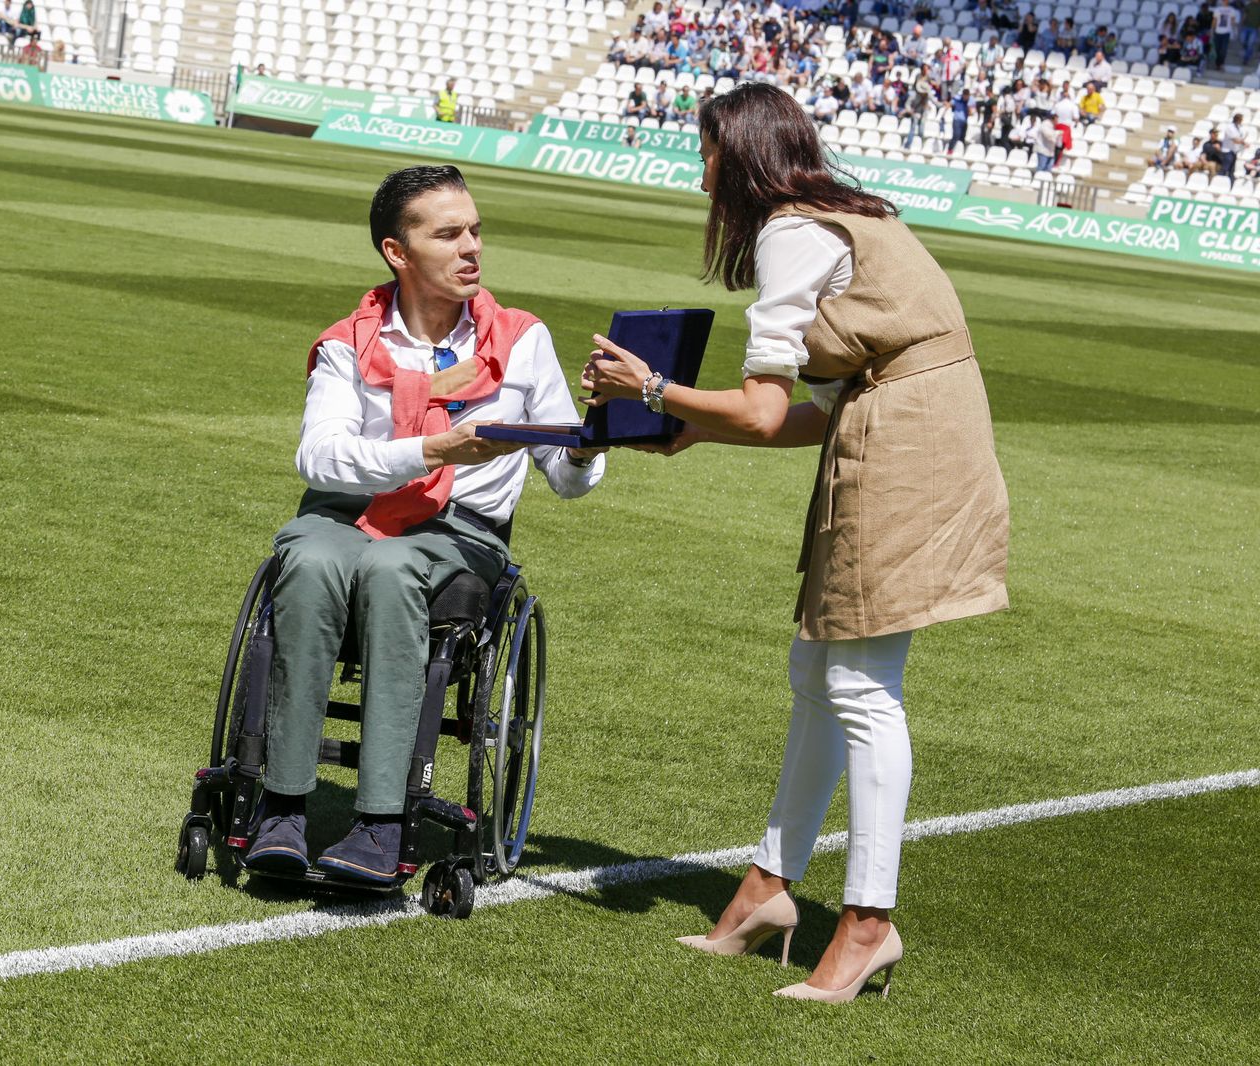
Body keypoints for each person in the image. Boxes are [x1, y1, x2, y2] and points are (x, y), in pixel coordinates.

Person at [582, 82, 1008, 1004]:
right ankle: (767, 889)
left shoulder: (789, 231)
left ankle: (868, 925)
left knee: (860, 685)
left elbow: (770, 405)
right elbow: (803, 417)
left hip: (906, 445)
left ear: (738, 159)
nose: (700, 178)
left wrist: (652, 391)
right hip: (904, 428)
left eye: (705, 156)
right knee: (821, 672)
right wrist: (695, 425)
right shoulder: (842, 216)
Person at [242, 166, 605, 882]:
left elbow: (565, 476)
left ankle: (380, 822)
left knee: (389, 567)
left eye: (475, 231)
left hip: (459, 532)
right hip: (344, 514)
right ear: (397, 253)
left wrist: (589, 442)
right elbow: (318, 457)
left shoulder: (521, 340)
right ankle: (281, 807)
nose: (471, 247)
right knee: (310, 562)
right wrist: (434, 448)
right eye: (448, 234)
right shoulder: (351, 341)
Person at [1219, 112, 1247, 178]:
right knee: (1224, 169)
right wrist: (1243, 142)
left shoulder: (1239, 128)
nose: (1242, 121)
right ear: (1237, 119)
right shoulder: (1230, 128)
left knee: (1231, 170)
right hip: (1228, 152)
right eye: (1241, 119)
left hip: (1234, 151)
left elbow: (1239, 139)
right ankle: (1218, 181)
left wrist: (1244, 143)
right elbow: (1235, 140)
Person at [1212, 0, 1238, 68]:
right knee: (1217, 49)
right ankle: (1217, 62)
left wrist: (1234, 30)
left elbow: (1233, 21)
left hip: (1226, 32)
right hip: (1217, 32)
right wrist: (1212, 29)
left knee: (1224, 49)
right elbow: (1215, 20)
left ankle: (1221, 63)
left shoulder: (1232, 10)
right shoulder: (1217, 9)